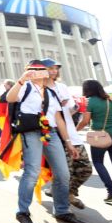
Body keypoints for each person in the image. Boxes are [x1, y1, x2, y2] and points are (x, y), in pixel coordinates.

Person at [5, 60, 85, 223]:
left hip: (52, 133)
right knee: (32, 172)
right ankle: (22, 212)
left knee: (63, 174)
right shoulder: (25, 87)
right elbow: (9, 98)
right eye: (33, 69)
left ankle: (62, 210)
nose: (38, 71)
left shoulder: (51, 92)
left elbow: (58, 119)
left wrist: (69, 143)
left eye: (41, 69)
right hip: (31, 131)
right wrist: (21, 79)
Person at [41, 58, 92, 210]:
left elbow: (70, 109)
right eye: (51, 68)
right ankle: (62, 207)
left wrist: (77, 106)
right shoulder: (40, 88)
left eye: (56, 68)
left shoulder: (62, 87)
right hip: (55, 134)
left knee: (86, 169)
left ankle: (69, 193)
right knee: (64, 174)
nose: (54, 71)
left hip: (70, 132)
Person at [76, 79, 112, 209]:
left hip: (99, 137)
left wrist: (73, 131)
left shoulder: (89, 102)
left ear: (87, 89)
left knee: (98, 162)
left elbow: (85, 121)